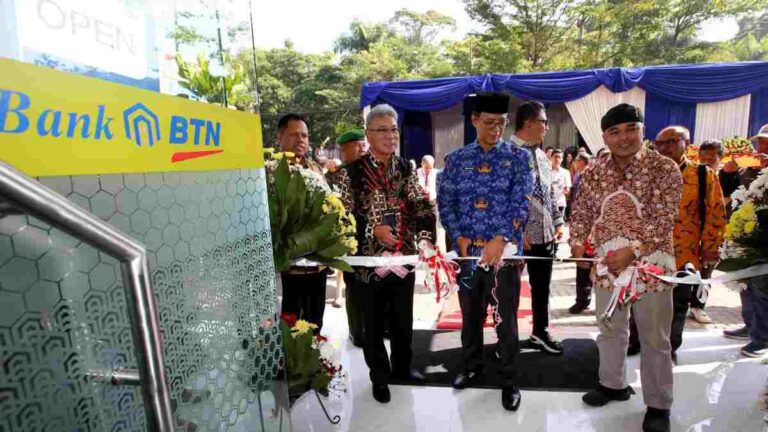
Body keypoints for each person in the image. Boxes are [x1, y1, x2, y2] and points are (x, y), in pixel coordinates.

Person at [570, 103, 681, 432]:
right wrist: (577, 242)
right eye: (615, 132)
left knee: (654, 339)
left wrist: (633, 251)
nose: (624, 138)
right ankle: (612, 384)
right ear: (604, 136)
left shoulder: (664, 169)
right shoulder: (594, 170)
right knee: (609, 331)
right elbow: (582, 211)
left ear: (642, 130)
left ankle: (659, 405)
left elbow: (663, 219)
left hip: (652, 269)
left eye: (631, 129)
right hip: (606, 268)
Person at [438, 92, 533, 411]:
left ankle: (509, 379)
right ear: (474, 120)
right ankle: (471, 366)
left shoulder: (520, 158)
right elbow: (446, 202)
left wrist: (502, 237)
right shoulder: (456, 160)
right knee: (470, 316)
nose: (495, 129)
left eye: (501, 123)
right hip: (467, 255)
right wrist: (457, 234)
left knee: (506, 319)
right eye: (489, 122)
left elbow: (522, 203)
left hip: (504, 255)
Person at [337, 104, 436, 403]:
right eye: (382, 130)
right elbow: (342, 218)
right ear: (368, 134)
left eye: (394, 129)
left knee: (403, 320)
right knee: (372, 324)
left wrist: (425, 239)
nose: (390, 135)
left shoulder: (405, 168)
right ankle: (379, 377)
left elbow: (421, 204)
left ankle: (403, 369)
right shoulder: (351, 173)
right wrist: (372, 231)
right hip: (368, 264)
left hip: (402, 258)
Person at [627, 126, 725, 360]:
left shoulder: (702, 174)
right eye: (659, 144)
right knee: (639, 299)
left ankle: (669, 347)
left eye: (670, 142)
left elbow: (716, 213)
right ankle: (636, 341)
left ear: (686, 144)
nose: (664, 148)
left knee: (677, 304)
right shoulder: (644, 173)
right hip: (646, 252)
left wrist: (711, 246)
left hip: (684, 254)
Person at [511, 101, 565, 355]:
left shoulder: (542, 156)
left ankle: (539, 332)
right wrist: (514, 231)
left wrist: (557, 222)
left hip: (544, 236)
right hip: (513, 239)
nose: (546, 126)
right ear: (529, 123)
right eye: (543, 121)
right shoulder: (505, 153)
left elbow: (551, 193)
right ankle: (506, 337)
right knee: (506, 290)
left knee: (542, 288)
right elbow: (498, 198)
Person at [276, 113, 328, 332]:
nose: (301, 140)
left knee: (316, 321)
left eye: (305, 135)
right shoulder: (271, 170)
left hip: (317, 263)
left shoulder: (315, 168)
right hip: (289, 266)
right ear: (280, 137)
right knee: (291, 322)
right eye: (294, 134)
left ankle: (315, 362)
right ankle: (291, 364)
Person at [722, 124, 768, 357]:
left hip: (764, 239)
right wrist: (728, 172)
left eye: (766, 142)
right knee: (745, 284)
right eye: (760, 142)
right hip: (744, 233)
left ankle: (762, 338)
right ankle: (750, 325)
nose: (762, 146)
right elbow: (730, 193)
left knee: (762, 288)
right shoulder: (748, 167)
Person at [327, 129, 367, 346]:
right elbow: (343, 207)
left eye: (363, 144)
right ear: (344, 149)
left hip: (375, 240)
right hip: (353, 236)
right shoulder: (344, 173)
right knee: (354, 286)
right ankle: (356, 331)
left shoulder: (375, 168)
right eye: (356, 145)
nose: (362, 148)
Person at [567, 153, 594, 314]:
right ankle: (582, 300)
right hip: (585, 230)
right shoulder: (582, 177)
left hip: (601, 233)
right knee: (583, 268)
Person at [550, 149, 572, 218]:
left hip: (560, 203)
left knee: (559, 227)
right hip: (547, 204)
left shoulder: (565, 172)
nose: (557, 159)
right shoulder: (545, 171)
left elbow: (568, 189)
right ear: (551, 157)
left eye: (559, 157)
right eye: (555, 156)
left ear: (562, 159)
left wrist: (566, 190)